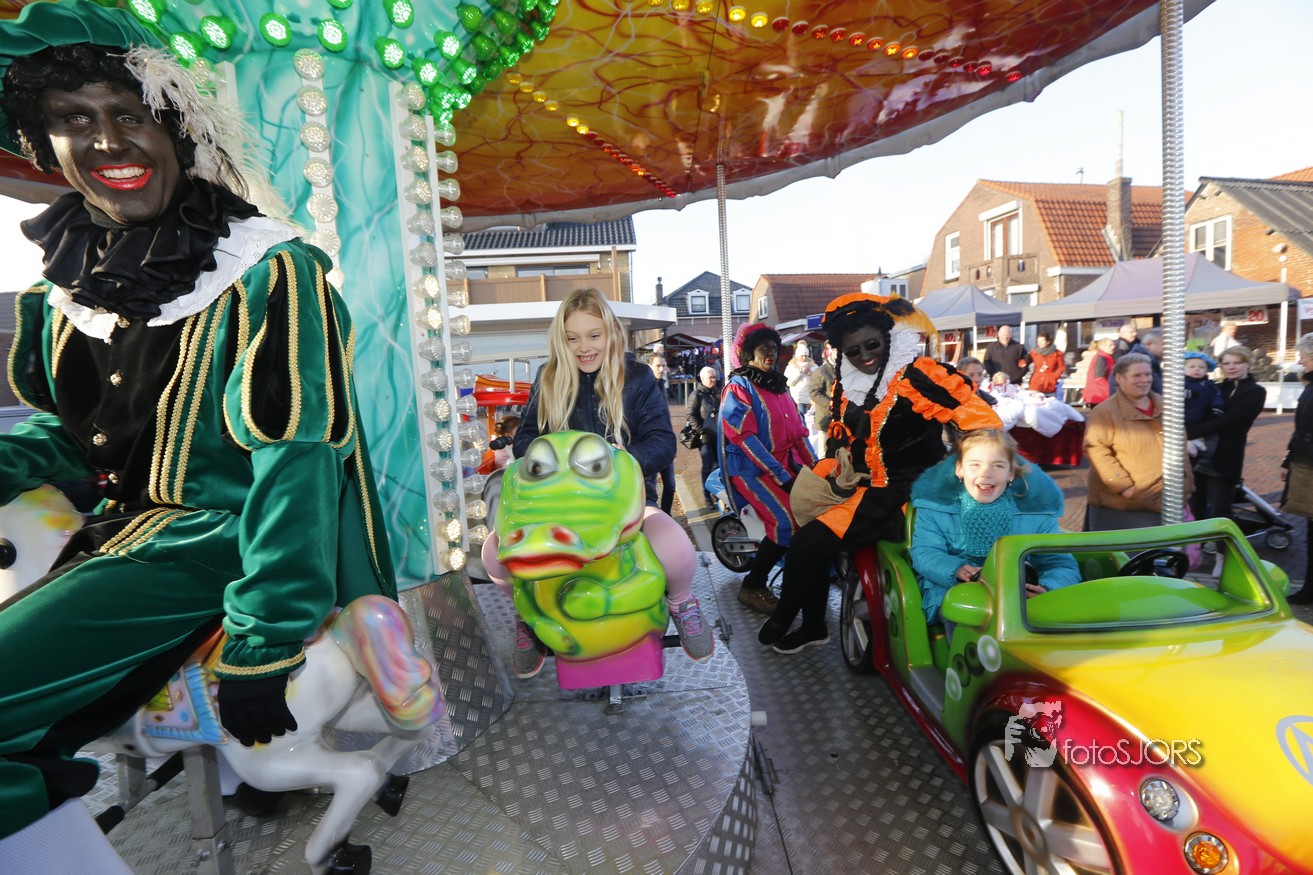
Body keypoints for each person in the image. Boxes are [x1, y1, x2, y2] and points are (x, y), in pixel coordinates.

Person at [0, 23, 395, 870]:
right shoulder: (63, 289)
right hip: (116, 536)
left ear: (177, 130)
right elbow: (71, 433)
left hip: (212, 541)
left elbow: (296, 457)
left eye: (130, 114)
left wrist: (265, 634)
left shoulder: (265, 272)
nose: (107, 140)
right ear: (45, 143)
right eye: (74, 118)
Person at [756, 294, 1000, 653]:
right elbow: (844, 436)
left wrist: (969, 469)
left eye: (872, 344)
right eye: (853, 350)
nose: (864, 356)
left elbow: (980, 422)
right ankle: (812, 625)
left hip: (905, 493)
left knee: (808, 544)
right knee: (809, 542)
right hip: (862, 486)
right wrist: (836, 468)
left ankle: (787, 617)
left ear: (888, 338)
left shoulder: (916, 376)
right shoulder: (846, 383)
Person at [484, 288, 711, 673]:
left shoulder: (637, 378)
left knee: (674, 546)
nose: (584, 347)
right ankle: (527, 613)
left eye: (593, 335)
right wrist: (547, 454)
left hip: (622, 502)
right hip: (556, 505)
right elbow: (526, 436)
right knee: (495, 554)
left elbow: (662, 440)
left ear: (610, 333)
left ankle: (682, 602)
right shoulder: (549, 377)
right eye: (572, 338)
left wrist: (622, 458)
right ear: (561, 340)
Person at [910, 430, 1078, 628]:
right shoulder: (935, 508)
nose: (986, 474)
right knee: (967, 613)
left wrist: (1048, 587)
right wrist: (956, 569)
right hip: (953, 591)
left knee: (1046, 618)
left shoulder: (1037, 514)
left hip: (1017, 595)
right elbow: (925, 552)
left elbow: (1059, 562)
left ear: (1011, 473)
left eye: (997, 466)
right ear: (960, 469)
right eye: (975, 465)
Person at [720, 323, 815, 614]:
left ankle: (800, 579)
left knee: (812, 513)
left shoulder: (779, 386)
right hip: (750, 470)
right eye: (764, 349)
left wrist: (818, 467)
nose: (771, 353)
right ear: (749, 353)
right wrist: (781, 475)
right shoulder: (738, 387)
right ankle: (753, 586)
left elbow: (799, 435)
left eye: (774, 348)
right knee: (785, 521)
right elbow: (744, 437)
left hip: (783, 467)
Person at [1084, 353, 1193, 531]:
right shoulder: (1105, 412)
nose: (1144, 380)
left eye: (1148, 374)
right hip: (1126, 506)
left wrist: (1186, 485)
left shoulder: (1166, 406)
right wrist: (1124, 487)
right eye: (1137, 375)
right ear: (1119, 378)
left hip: (1168, 498)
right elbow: (1096, 450)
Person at [1186, 346, 1264, 527]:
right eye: (1226, 363)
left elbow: (1231, 420)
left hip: (1224, 458)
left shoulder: (1255, 391)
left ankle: (1222, 544)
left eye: (1237, 363)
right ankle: (1198, 544)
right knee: (1195, 508)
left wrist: (1188, 432)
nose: (1231, 367)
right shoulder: (1215, 387)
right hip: (1199, 456)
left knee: (1220, 510)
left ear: (1248, 364)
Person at [1282, 333, 1313, 603]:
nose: (1300, 361)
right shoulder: (1309, 386)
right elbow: (1301, 429)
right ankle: (1310, 587)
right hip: (1305, 464)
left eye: (1303, 356)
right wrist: (1288, 460)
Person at [685, 365, 721, 507]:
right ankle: (707, 496)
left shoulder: (718, 393)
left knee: (718, 466)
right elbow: (690, 414)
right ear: (703, 379)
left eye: (714, 377)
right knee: (707, 465)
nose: (713, 380)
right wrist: (701, 430)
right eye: (710, 377)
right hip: (705, 437)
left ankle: (717, 493)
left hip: (718, 435)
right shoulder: (697, 395)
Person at [1182, 351, 1224, 473]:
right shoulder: (1181, 384)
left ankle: (1205, 460)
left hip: (1202, 420)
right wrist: (1185, 394)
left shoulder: (1210, 386)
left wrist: (1217, 408)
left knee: (1213, 437)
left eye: (1201, 367)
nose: (1197, 369)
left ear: (1206, 370)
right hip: (1184, 420)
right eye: (1192, 367)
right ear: (1183, 369)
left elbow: (1217, 397)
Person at [647, 354, 676, 513]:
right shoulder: (644, 388)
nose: (661, 369)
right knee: (650, 488)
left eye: (663, 366)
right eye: (658, 365)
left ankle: (666, 515)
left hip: (664, 443)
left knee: (670, 485)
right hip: (649, 445)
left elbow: (666, 416)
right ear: (649, 366)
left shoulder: (662, 386)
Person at [807, 341, 837, 456]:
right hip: (826, 418)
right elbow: (814, 392)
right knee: (824, 453)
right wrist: (831, 404)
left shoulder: (845, 369)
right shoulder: (821, 371)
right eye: (835, 350)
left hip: (842, 418)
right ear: (830, 352)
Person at [784, 340, 816, 420]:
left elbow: (820, 381)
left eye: (806, 355)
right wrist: (798, 374)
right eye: (802, 356)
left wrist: (812, 374)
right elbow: (788, 383)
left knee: (812, 420)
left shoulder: (814, 366)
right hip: (798, 398)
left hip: (812, 398)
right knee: (801, 419)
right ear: (797, 356)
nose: (804, 358)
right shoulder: (791, 367)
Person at [1027, 331, 1065, 396]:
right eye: (1038, 341)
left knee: (1050, 401)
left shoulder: (1057, 354)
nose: (1039, 343)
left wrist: (1054, 377)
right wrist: (1021, 362)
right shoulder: (1034, 353)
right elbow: (1026, 361)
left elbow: (1061, 367)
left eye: (1042, 341)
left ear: (1048, 342)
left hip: (1050, 384)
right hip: (1036, 384)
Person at [1128, 327, 1164, 395]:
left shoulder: (1152, 362)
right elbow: (1158, 391)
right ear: (1149, 345)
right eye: (1164, 344)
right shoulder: (1138, 363)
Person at [1081, 338, 1117, 406]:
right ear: (1102, 346)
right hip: (1099, 395)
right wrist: (1110, 391)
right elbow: (1099, 378)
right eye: (1110, 345)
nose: (1113, 347)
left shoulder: (1104, 357)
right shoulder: (1101, 358)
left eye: (1113, 345)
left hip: (1099, 394)